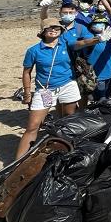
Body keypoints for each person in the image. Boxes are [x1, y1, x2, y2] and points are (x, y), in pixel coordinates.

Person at [18, 18, 82, 158]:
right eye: (49, 28)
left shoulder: (66, 45)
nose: (53, 30)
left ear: (61, 31)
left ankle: (65, 149)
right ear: (43, 31)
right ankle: (18, 162)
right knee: (33, 126)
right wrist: (27, 92)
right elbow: (26, 72)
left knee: (69, 119)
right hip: (45, 90)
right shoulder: (33, 50)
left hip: (68, 85)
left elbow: (82, 42)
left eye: (56, 28)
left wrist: (98, 39)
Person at [72, 15, 111, 102]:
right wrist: (99, 39)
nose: (99, 25)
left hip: (108, 71)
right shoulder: (89, 37)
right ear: (91, 26)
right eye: (96, 23)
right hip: (95, 73)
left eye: (102, 23)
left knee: (106, 94)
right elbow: (86, 43)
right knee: (97, 96)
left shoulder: (110, 38)